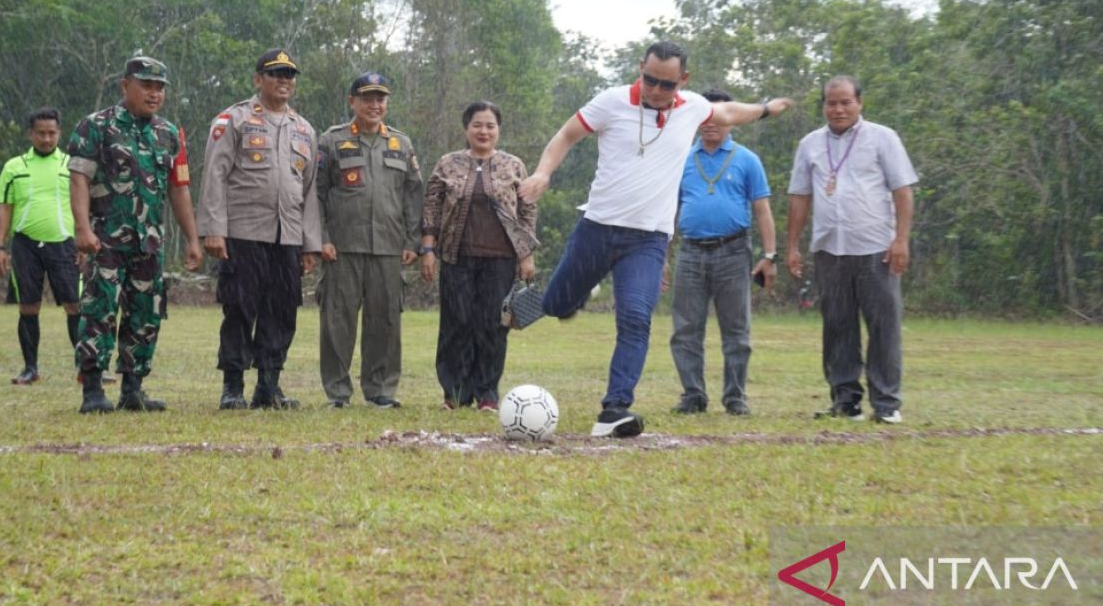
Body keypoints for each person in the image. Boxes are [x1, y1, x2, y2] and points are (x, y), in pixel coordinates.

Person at [518, 40, 795, 437]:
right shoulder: (612, 102)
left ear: (683, 80)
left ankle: (614, 411)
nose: (657, 90)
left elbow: (731, 111)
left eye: (667, 85)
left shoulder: (693, 107)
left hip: (647, 240)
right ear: (640, 69)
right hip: (597, 228)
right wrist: (544, 173)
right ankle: (545, 301)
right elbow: (566, 136)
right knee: (558, 303)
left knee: (635, 318)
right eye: (650, 80)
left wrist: (766, 109)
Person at [67, 55, 203, 413]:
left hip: (149, 241)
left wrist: (192, 238)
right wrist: (81, 228)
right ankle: (93, 389)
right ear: (125, 86)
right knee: (99, 310)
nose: (154, 93)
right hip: (105, 239)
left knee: (146, 313)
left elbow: (179, 189)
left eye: (160, 87)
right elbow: (79, 177)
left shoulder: (169, 134)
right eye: (146, 85)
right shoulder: (95, 126)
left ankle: (133, 388)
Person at [786, 75, 917, 424]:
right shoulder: (810, 144)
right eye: (832, 103)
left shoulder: (882, 138)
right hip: (830, 249)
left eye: (846, 102)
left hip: (876, 247)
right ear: (824, 106)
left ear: (860, 103)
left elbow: (903, 191)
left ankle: (886, 404)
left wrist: (901, 239)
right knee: (838, 327)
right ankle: (845, 401)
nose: (839, 109)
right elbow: (800, 197)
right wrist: (793, 246)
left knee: (883, 327)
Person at [197, 48, 321, 410]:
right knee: (239, 309)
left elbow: (310, 189)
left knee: (282, 312)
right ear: (258, 80)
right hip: (243, 233)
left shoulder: (304, 129)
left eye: (289, 75)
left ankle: (269, 385)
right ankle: (232, 386)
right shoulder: (233, 120)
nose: (284, 80)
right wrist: (213, 229)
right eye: (275, 74)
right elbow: (215, 175)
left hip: (288, 236)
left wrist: (310, 243)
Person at [664, 89, 777, 416]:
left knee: (736, 330)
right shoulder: (681, 158)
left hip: (733, 251)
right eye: (705, 117)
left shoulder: (747, 159)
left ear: (732, 119)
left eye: (718, 116)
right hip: (690, 252)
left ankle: (736, 397)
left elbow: (763, 210)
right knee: (686, 328)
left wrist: (770, 256)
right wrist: (663, 258)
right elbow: (668, 210)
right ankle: (693, 395)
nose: (711, 124)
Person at [420, 101, 538, 411]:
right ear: (466, 129)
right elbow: (431, 206)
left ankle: (487, 393)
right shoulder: (447, 163)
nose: (483, 131)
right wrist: (428, 248)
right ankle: (455, 393)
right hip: (456, 256)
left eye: (490, 125)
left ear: (498, 130)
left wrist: (526, 255)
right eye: (477, 125)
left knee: (492, 326)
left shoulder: (514, 165)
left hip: (501, 259)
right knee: (456, 324)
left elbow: (527, 211)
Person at [316, 72, 422, 409]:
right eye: (366, 98)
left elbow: (413, 195)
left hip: (390, 248)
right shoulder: (331, 141)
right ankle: (337, 393)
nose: (374, 104)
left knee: (386, 322)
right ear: (352, 102)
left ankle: (380, 391)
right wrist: (321, 237)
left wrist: (412, 240)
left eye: (380, 98)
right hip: (342, 247)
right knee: (337, 323)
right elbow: (316, 194)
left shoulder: (402, 144)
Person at [0, 108, 82, 385]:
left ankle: (85, 367)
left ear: (59, 133)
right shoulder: (14, 167)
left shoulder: (72, 165)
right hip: (25, 245)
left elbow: (84, 206)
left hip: (65, 244)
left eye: (51, 133)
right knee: (28, 306)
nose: (46, 138)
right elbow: (4, 207)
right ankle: (30, 368)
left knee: (75, 305)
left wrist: (85, 241)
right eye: (40, 133)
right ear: (30, 134)